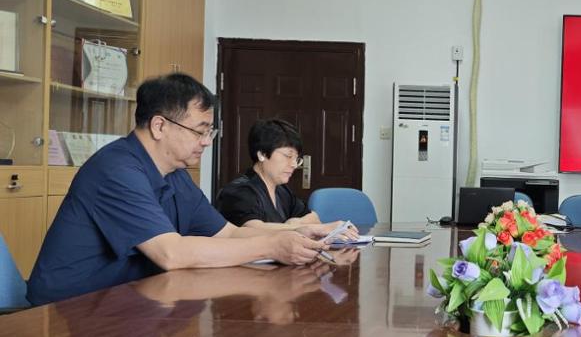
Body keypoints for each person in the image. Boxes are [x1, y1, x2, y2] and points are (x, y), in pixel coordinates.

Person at [27, 73, 336, 306]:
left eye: (210, 132)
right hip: (69, 310)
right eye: (200, 131)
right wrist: (271, 247)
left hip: (127, 302)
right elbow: (170, 253)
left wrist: (294, 235)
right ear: (159, 126)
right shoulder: (116, 170)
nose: (206, 142)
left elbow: (227, 233)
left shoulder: (175, 173)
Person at [215, 120, 358, 242]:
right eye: (288, 156)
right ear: (262, 154)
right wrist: (303, 229)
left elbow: (313, 217)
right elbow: (253, 230)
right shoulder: (239, 191)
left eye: (296, 159)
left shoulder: (282, 190)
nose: (294, 165)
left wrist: (295, 222)